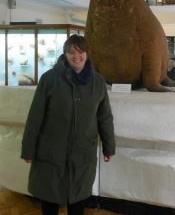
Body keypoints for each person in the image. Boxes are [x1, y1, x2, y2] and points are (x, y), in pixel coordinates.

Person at [21, 34, 116, 215]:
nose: (76, 56)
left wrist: (109, 147)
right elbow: (35, 118)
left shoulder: (98, 82)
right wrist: (28, 149)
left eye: (80, 52)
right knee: (50, 199)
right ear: (65, 54)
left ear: (87, 54)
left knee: (77, 201)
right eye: (71, 52)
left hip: (82, 155)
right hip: (51, 154)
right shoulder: (49, 79)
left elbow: (104, 117)